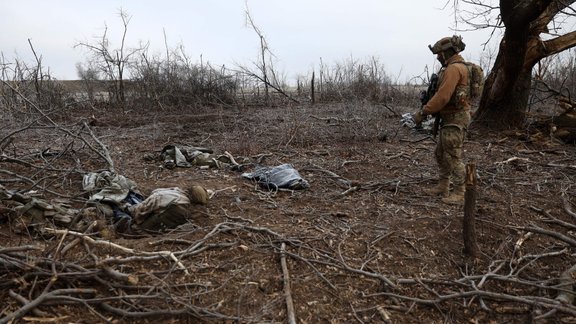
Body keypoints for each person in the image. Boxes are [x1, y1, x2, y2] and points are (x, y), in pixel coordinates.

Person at [413, 35, 472, 205]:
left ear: (447, 52)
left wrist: (424, 111)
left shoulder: (454, 69)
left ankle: (462, 193)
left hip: (456, 118)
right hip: (450, 118)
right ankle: (443, 185)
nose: (438, 57)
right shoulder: (454, 67)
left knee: (453, 156)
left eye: (439, 54)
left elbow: (443, 97)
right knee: (441, 153)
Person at [116, 184, 210, 233]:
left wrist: (127, 209)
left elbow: (140, 212)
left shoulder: (175, 195)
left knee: (119, 209)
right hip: (149, 217)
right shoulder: (184, 207)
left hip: (137, 228)